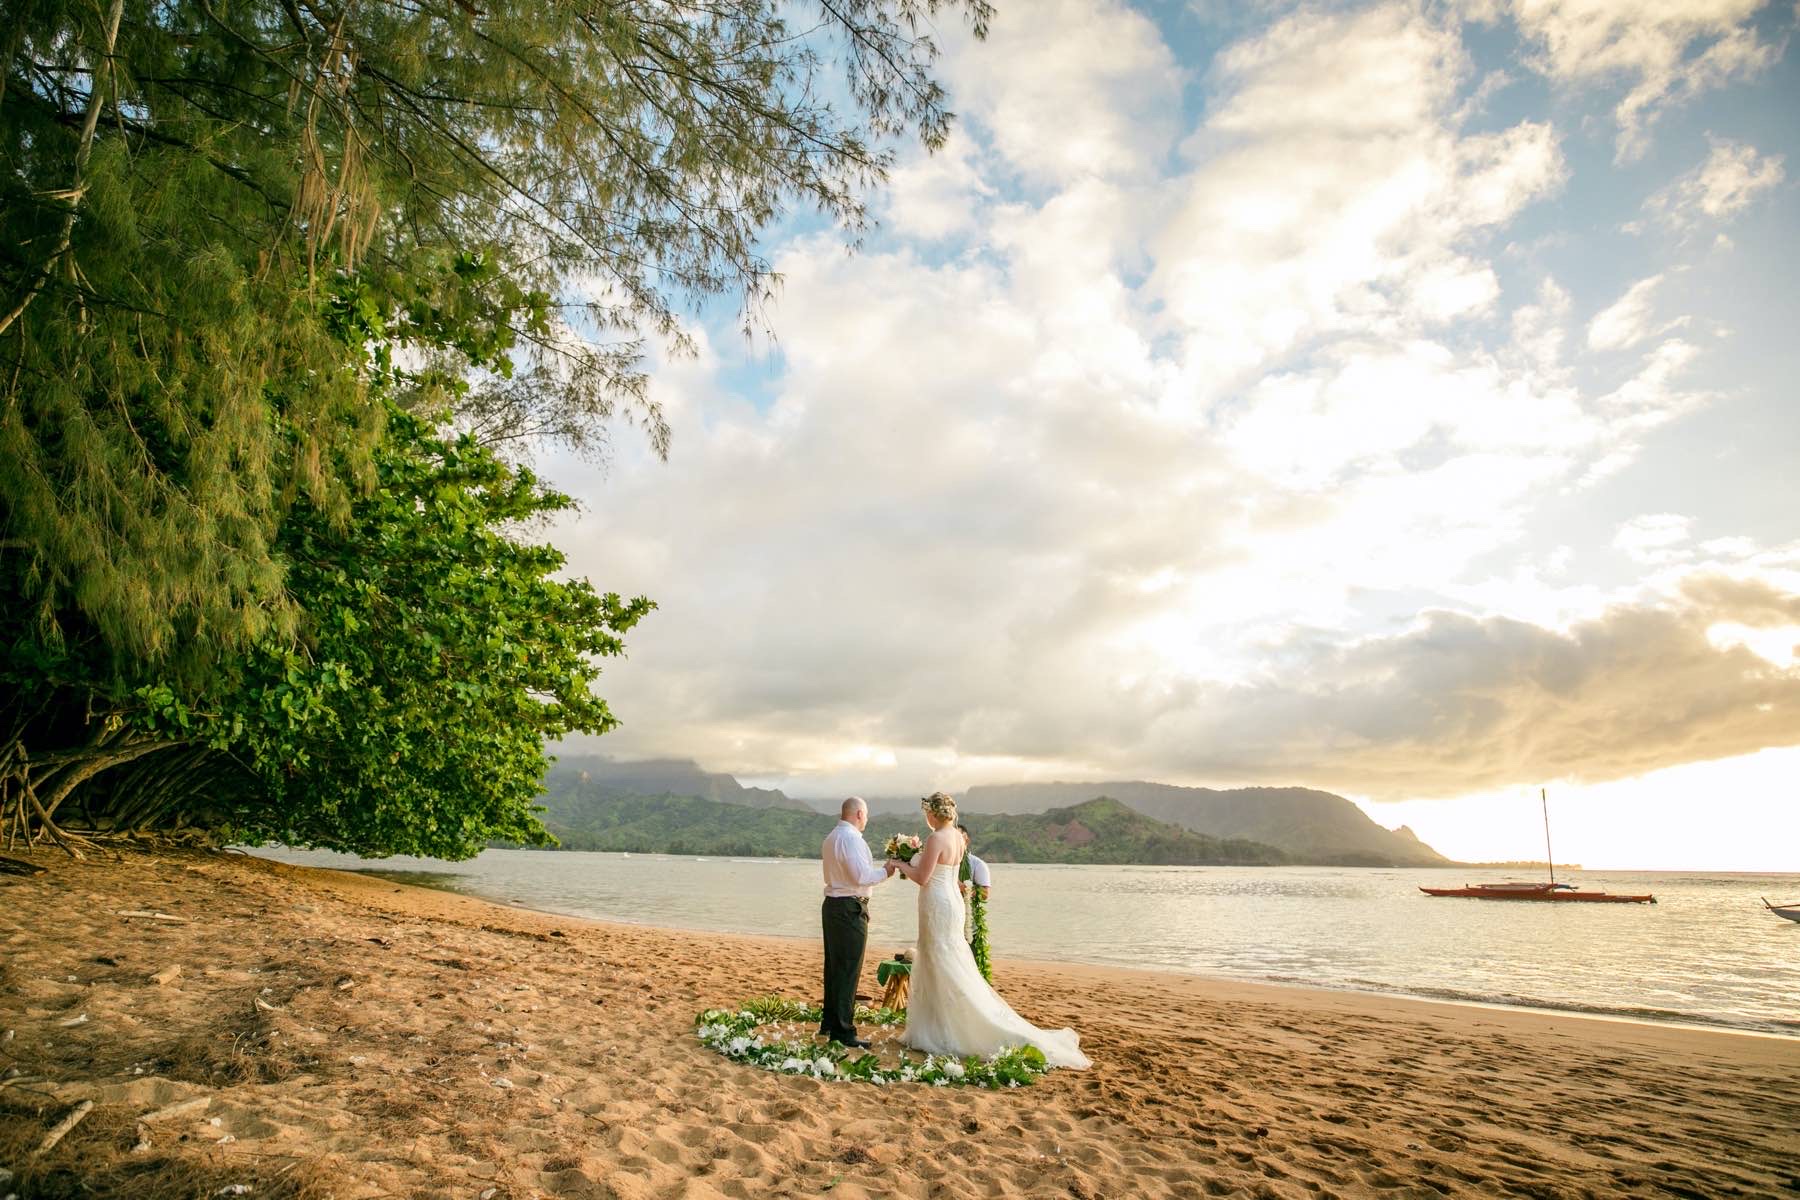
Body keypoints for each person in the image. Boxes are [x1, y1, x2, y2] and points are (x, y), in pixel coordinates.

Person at [887, 792, 1088, 1068]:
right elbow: (950, 873)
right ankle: (941, 1023)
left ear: (933, 813)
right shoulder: (958, 836)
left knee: (938, 959)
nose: (926, 818)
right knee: (948, 958)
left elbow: (923, 878)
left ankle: (944, 1028)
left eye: (926, 813)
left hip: (936, 901)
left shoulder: (936, 838)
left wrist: (899, 864)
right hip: (952, 902)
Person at [820, 796, 896, 1047]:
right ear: (860, 814)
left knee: (834, 967)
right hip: (848, 907)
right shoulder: (851, 839)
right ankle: (843, 1031)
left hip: (832, 905)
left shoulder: (832, 837)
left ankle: (830, 1023)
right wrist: (887, 870)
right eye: (867, 815)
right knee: (848, 969)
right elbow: (861, 876)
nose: (867, 820)